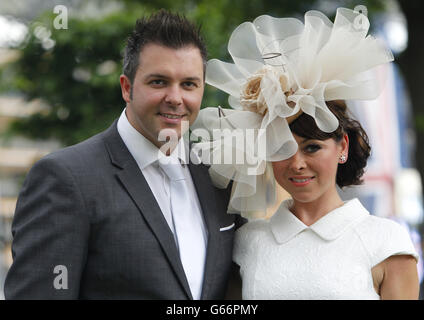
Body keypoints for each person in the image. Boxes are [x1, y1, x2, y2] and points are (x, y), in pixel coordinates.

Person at [4, 10, 237, 299]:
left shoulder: (218, 176)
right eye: (159, 82)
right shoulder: (65, 179)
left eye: (188, 84)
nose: (176, 98)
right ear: (127, 88)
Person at [192, 8, 419, 299]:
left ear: (342, 147)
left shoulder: (386, 241)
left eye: (312, 147)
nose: (297, 164)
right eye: (281, 148)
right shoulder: (247, 243)